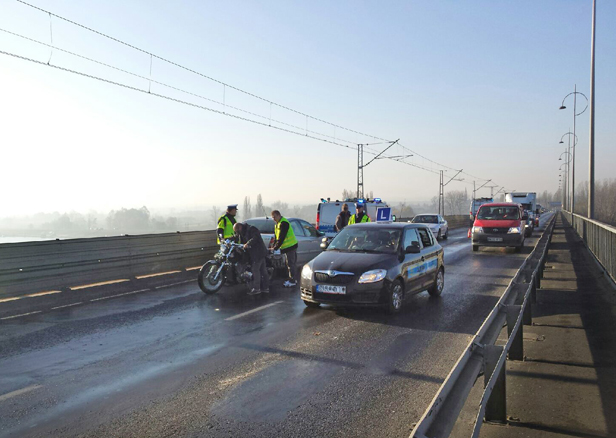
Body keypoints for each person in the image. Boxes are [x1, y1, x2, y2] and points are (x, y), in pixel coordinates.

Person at [233, 222, 269, 295]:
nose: (237, 233)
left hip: (258, 252)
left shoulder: (252, 229)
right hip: (257, 253)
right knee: (263, 270)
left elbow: (255, 238)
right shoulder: (243, 231)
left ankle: (256, 289)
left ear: (239, 227)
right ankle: (265, 288)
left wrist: (248, 244)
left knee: (255, 270)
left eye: (237, 231)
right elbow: (236, 237)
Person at [270, 210, 298, 288]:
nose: (274, 219)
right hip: (287, 247)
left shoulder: (284, 223)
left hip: (291, 246)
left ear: (278, 215)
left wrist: (276, 247)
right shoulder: (277, 224)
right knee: (289, 264)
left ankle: (293, 280)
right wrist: (274, 245)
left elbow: (282, 237)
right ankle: (291, 278)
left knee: (291, 264)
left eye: (274, 217)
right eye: (272, 218)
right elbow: (277, 237)